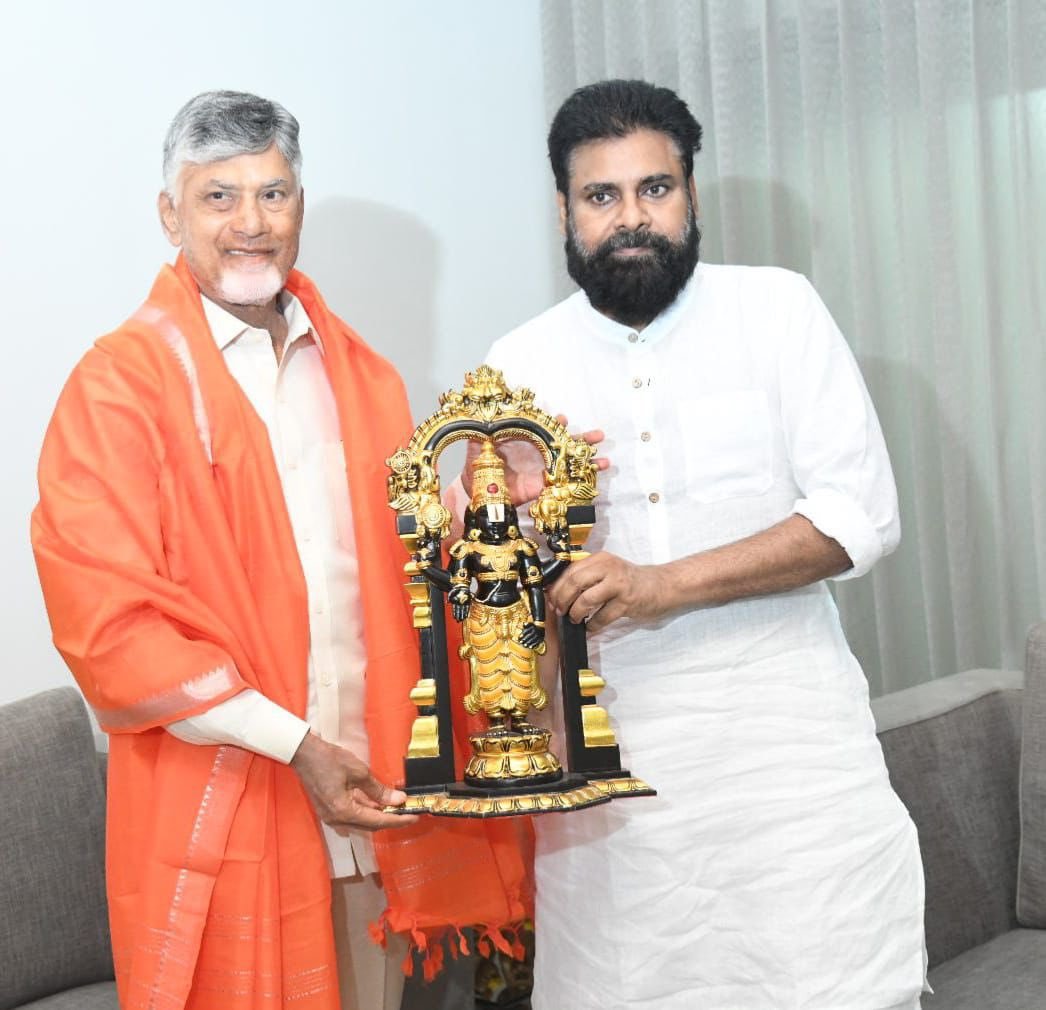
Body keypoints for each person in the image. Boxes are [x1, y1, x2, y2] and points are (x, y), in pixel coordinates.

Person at [31, 90, 528, 1010]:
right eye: (219, 197)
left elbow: (405, 564)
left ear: (302, 204)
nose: (251, 224)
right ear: (169, 213)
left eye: (274, 193)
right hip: (224, 809)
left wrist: (496, 505)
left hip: (373, 806)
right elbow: (108, 628)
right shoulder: (119, 389)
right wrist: (296, 745)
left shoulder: (362, 376)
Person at [482, 79, 926, 1010]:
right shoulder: (516, 365)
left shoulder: (778, 311)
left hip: (790, 753)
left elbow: (860, 514)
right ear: (563, 210)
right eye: (602, 197)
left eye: (656, 189)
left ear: (692, 193)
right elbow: (495, 585)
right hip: (614, 775)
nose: (631, 218)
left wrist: (662, 586)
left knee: (830, 983)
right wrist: (514, 535)